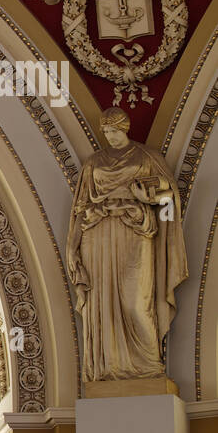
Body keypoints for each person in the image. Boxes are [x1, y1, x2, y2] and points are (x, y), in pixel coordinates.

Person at [67, 107, 187, 383]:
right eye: (106, 132)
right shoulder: (93, 163)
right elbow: (80, 208)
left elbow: (169, 195)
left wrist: (148, 196)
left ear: (125, 128)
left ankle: (147, 363)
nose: (109, 136)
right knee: (102, 300)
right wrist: (72, 249)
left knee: (136, 301)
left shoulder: (147, 157)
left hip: (136, 231)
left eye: (113, 131)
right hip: (97, 234)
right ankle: (107, 367)